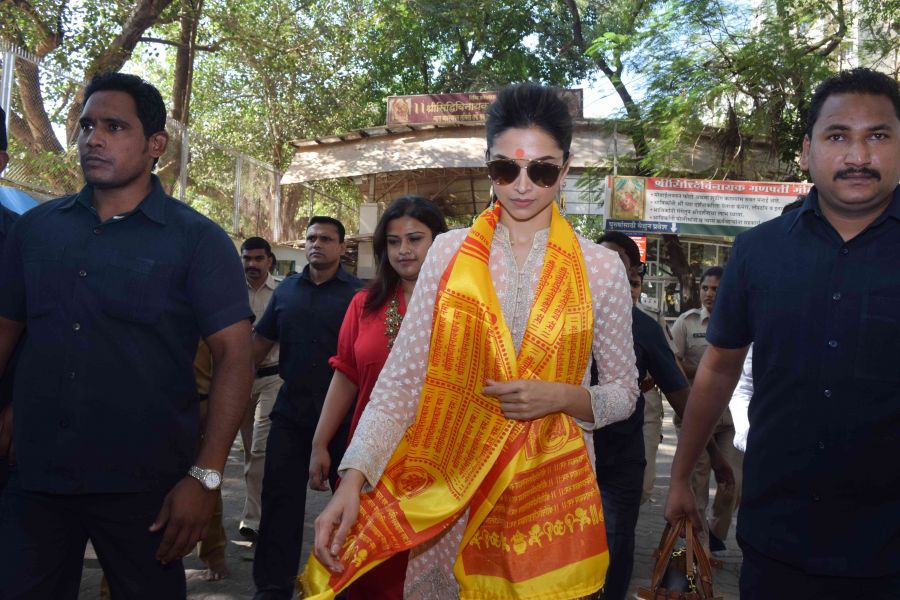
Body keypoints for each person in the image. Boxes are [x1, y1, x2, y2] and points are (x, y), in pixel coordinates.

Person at [307, 82, 638, 599]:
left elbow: (624, 392)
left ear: (566, 168)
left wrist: (564, 397)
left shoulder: (601, 269)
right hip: (451, 495)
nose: (522, 185)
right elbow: (402, 383)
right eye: (506, 168)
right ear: (489, 165)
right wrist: (353, 478)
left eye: (542, 170)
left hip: (548, 501)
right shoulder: (448, 253)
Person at [0, 72, 254, 598]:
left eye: (114, 126)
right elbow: (6, 334)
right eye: (87, 125)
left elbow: (235, 357)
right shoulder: (36, 231)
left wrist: (205, 478)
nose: (93, 138)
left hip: (147, 489)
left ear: (155, 144)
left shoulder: (198, 242)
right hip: (35, 479)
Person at [665, 67, 900, 597]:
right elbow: (718, 369)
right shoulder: (757, 251)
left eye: (878, 136)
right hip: (778, 541)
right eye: (838, 136)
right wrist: (682, 475)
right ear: (806, 151)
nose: (858, 156)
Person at [308, 195, 448, 599]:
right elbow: (346, 377)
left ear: (440, 242)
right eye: (393, 241)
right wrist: (320, 443)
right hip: (368, 465)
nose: (404, 250)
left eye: (415, 238)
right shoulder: (364, 305)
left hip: (439, 469)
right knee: (368, 575)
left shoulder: (465, 308)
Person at [250, 216, 361, 599]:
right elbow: (257, 346)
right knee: (278, 503)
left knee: (351, 507)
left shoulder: (359, 296)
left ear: (342, 247)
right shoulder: (285, 293)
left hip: (346, 421)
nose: (317, 244)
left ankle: (350, 581)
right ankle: (272, 587)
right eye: (312, 238)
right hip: (291, 415)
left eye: (326, 239)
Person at [594, 231, 692, 600]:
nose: (601, 269)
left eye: (613, 261)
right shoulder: (564, 319)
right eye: (596, 260)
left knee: (616, 549)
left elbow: (682, 397)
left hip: (620, 464)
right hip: (569, 460)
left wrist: (708, 456)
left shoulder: (644, 329)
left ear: (634, 270)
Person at [670, 265, 742, 551]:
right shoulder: (687, 322)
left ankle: (715, 534)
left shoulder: (740, 322)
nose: (710, 293)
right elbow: (673, 363)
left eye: (716, 288)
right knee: (696, 482)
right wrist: (706, 374)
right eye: (705, 288)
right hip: (696, 416)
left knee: (733, 482)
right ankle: (696, 547)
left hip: (731, 417)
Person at [238, 236, 283, 541]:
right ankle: (261, 507)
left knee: (259, 449)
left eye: (257, 258)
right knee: (247, 452)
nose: (251, 264)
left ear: (269, 260)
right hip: (237, 381)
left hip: (273, 377)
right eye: (246, 258)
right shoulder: (228, 290)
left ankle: (253, 518)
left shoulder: (283, 291)